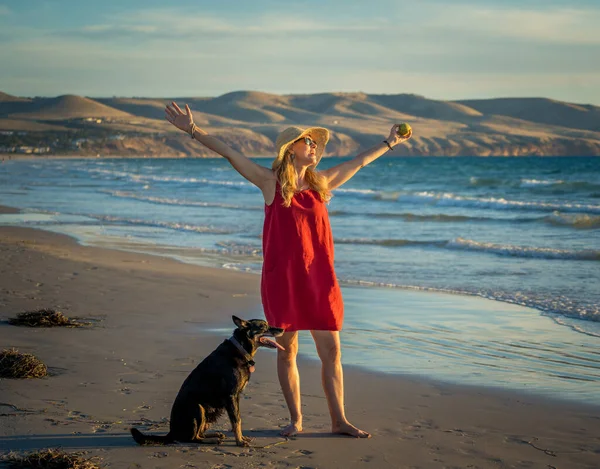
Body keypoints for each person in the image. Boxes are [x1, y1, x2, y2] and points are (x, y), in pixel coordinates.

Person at [165, 101, 412, 438]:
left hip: (321, 280)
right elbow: (230, 153)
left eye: (314, 142)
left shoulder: (322, 183)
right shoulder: (270, 184)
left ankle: (339, 420)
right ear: (290, 150)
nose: (312, 146)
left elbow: (360, 161)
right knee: (289, 351)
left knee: (332, 352)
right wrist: (192, 130)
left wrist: (389, 142)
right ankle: (296, 420)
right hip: (284, 281)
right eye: (306, 141)